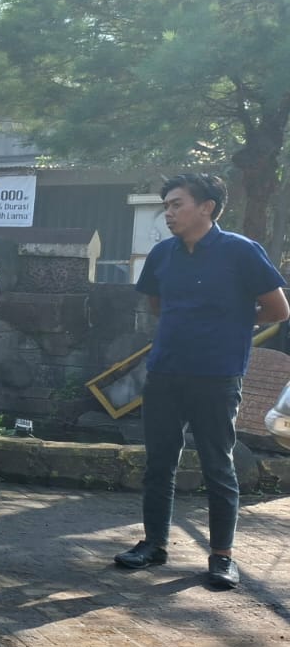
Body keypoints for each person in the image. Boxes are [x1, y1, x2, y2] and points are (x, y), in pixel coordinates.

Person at [113, 173, 288, 588]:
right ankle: (154, 544)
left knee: (217, 465)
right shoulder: (162, 255)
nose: (169, 213)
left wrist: (234, 320)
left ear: (207, 207)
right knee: (159, 463)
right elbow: (157, 304)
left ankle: (222, 556)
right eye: (166, 206)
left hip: (217, 375)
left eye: (177, 204)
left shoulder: (241, 251)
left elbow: (279, 309)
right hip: (165, 372)